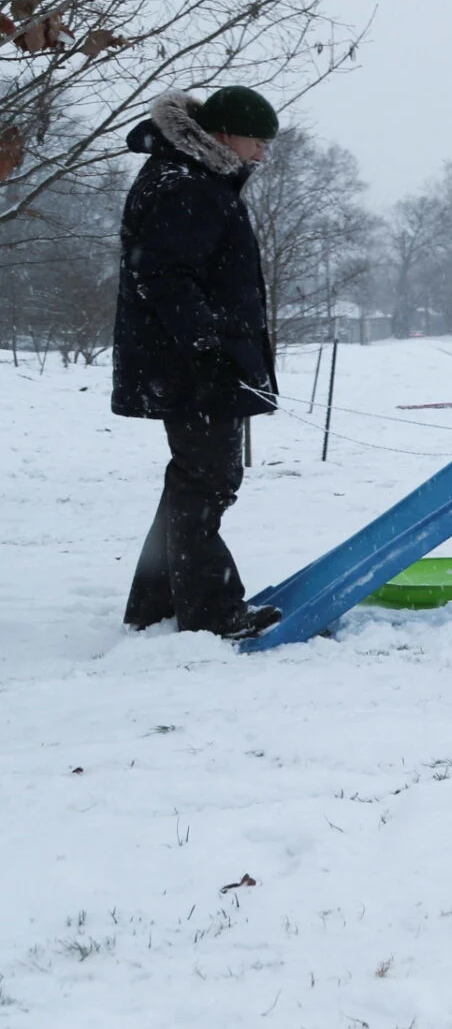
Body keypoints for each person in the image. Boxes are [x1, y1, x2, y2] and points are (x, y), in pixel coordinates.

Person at [114, 87, 285, 640]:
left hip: (195, 362)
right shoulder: (184, 185)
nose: (260, 154)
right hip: (192, 367)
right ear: (222, 135)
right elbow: (163, 276)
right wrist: (209, 349)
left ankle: (154, 604)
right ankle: (212, 612)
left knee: (193, 482)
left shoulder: (194, 179)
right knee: (207, 483)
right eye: (256, 142)